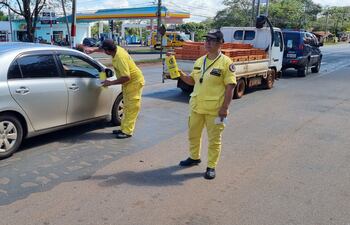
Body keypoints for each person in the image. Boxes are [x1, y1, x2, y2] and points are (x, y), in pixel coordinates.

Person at [178, 30, 237, 180]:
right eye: (206, 40)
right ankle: (194, 157)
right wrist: (180, 74)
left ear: (220, 43)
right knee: (193, 134)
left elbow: (230, 87)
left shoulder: (226, 63)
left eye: (212, 40)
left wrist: (225, 108)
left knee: (214, 140)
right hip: (197, 106)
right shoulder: (199, 61)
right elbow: (193, 81)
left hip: (215, 110)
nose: (208, 43)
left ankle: (211, 166)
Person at [85, 39, 145, 139]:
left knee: (132, 108)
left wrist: (110, 83)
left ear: (108, 51)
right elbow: (102, 48)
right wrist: (93, 50)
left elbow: (126, 77)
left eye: (104, 51)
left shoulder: (120, 57)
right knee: (126, 107)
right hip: (128, 84)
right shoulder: (115, 49)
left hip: (134, 83)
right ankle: (123, 128)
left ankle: (127, 131)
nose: (103, 52)